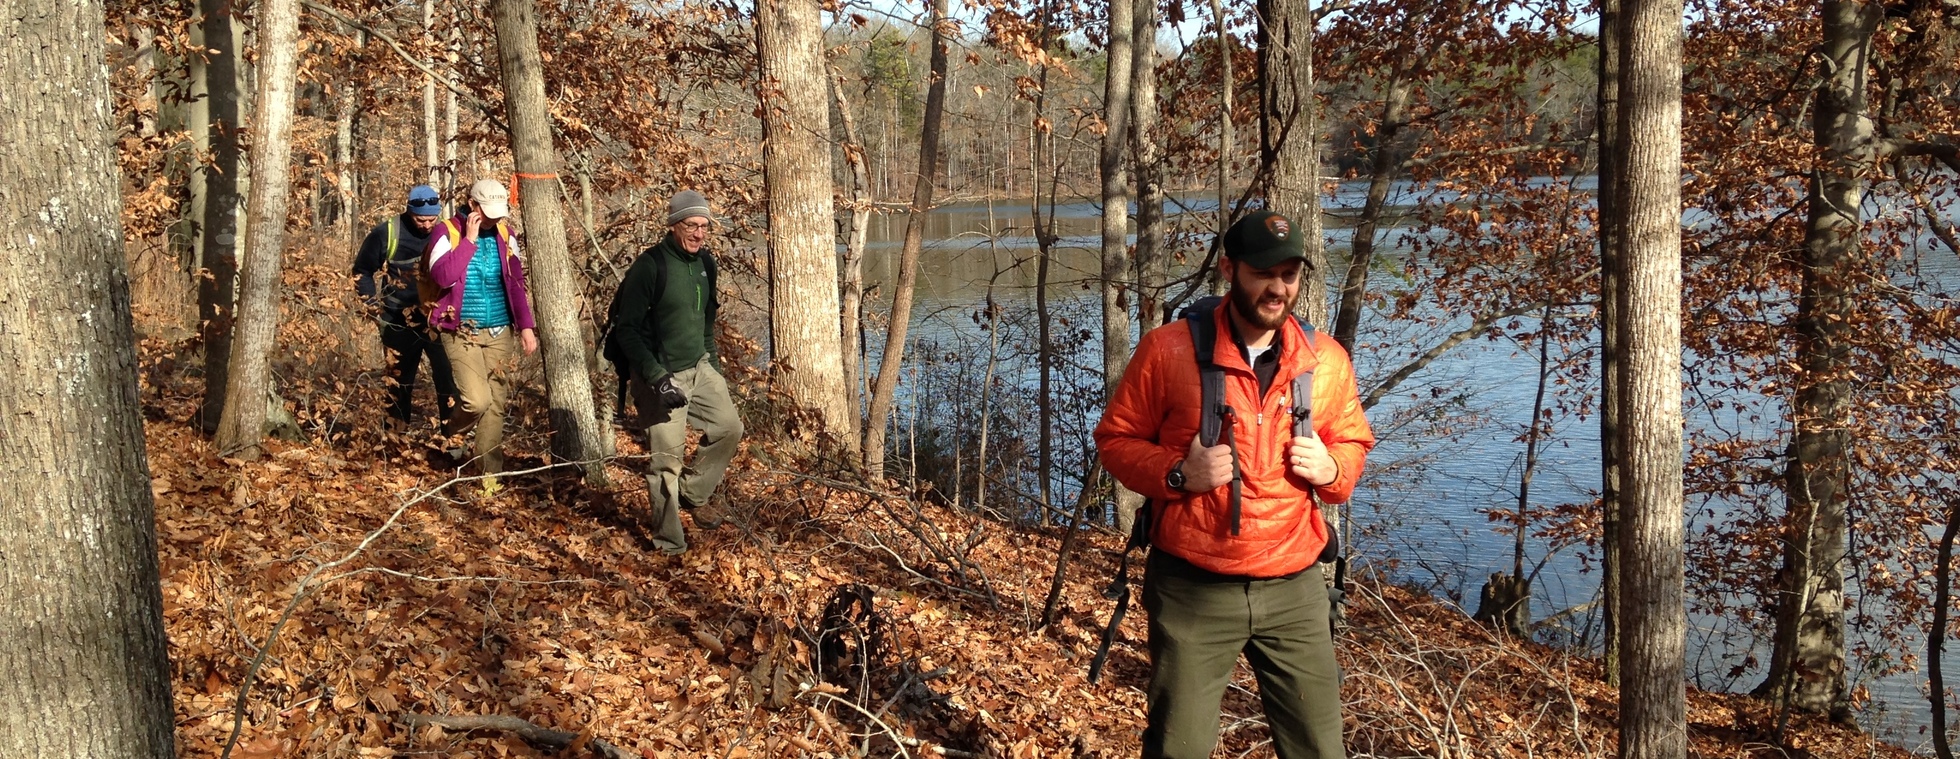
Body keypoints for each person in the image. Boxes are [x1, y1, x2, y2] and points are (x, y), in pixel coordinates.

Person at [1093, 210, 1376, 759]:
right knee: (1179, 748)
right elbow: (1117, 440)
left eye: (1290, 274)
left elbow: (1353, 444)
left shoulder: (1325, 361)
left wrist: (1334, 469)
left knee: (1321, 749)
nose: (1278, 288)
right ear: (1230, 270)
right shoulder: (1168, 351)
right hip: (1193, 587)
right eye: (1264, 273)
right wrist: (1177, 473)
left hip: (1295, 588)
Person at [608, 190, 743, 556]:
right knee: (665, 463)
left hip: (699, 366)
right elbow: (627, 330)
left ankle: (692, 494)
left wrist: (712, 368)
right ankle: (669, 544)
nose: (699, 234)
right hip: (658, 374)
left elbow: (705, 325)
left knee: (729, 428)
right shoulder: (650, 267)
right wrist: (656, 376)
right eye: (691, 225)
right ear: (673, 226)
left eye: (704, 226)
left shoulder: (706, 265)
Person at [424, 179, 538, 486]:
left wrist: (526, 327)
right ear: (472, 206)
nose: (495, 219)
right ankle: (451, 431)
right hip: (460, 330)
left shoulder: (505, 234)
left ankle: (489, 477)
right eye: (488, 213)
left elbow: (515, 285)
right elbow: (443, 276)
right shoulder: (445, 232)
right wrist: (470, 241)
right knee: (477, 400)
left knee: (495, 404)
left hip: (500, 331)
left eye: (499, 213)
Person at [353, 184, 458, 427]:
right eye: (421, 220)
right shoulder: (387, 232)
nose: (427, 225)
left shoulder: (447, 233)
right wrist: (371, 306)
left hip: (439, 320)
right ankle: (394, 442)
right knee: (397, 384)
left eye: (432, 219)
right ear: (409, 212)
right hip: (397, 320)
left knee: (449, 382)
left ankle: (454, 444)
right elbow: (362, 271)